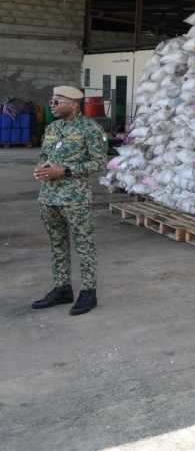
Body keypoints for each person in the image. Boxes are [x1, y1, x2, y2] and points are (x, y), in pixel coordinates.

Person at [31, 86, 107, 315]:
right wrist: (42, 169)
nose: (52, 106)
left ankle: (88, 292)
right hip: (48, 197)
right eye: (52, 102)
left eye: (57, 102)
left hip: (75, 199)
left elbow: (99, 162)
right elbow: (44, 155)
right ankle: (62, 288)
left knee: (84, 245)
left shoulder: (90, 128)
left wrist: (64, 170)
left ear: (73, 104)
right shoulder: (53, 128)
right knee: (58, 244)